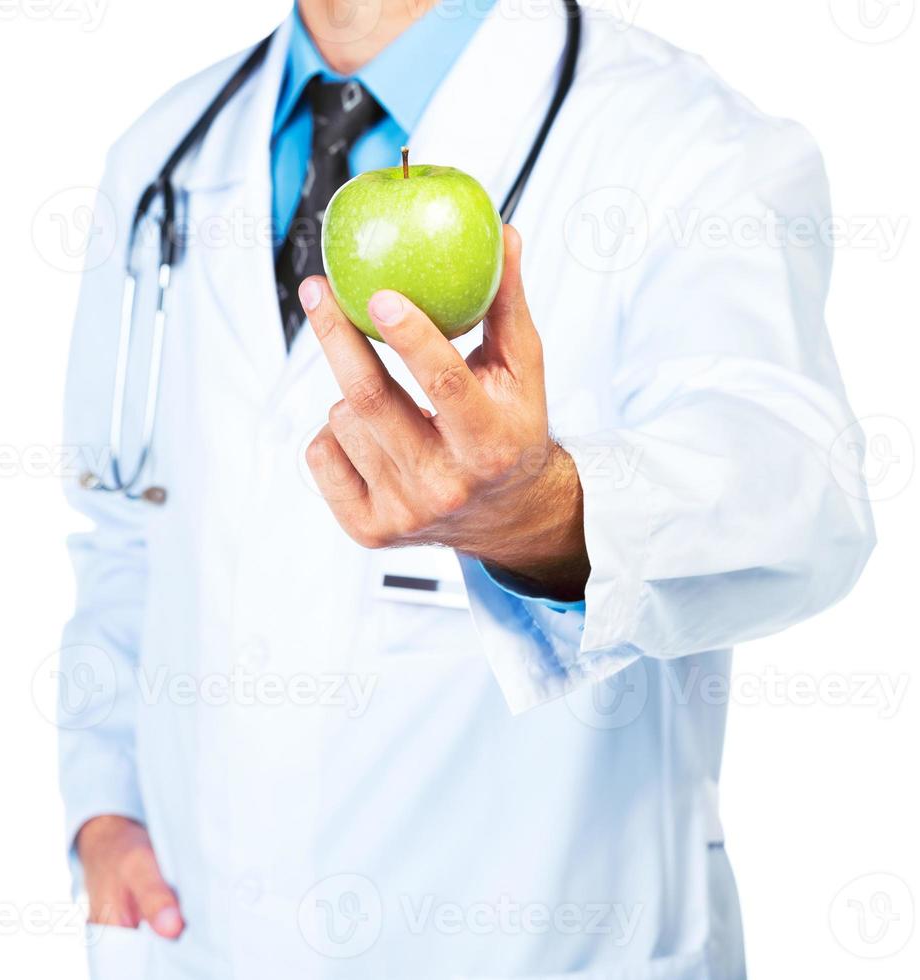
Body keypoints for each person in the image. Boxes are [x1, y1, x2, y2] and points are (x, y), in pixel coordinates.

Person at [60, 1, 875, 977]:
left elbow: (796, 488)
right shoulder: (162, 151)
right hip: (198, 931)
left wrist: (539, 515)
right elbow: (123, 524)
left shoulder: (688, 139)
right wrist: (102, 806)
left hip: (537, 936)